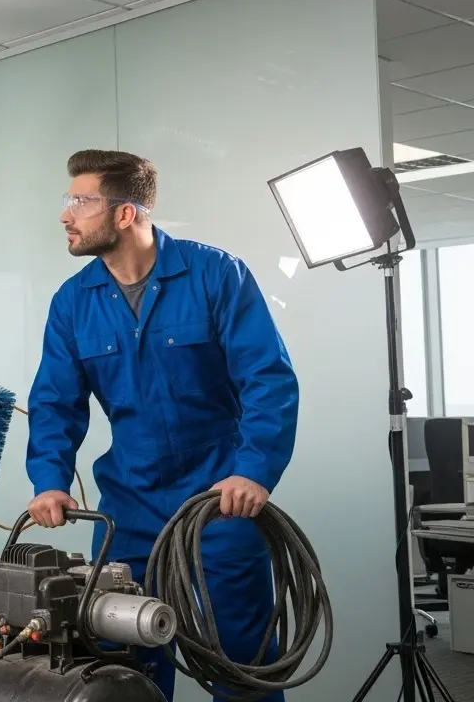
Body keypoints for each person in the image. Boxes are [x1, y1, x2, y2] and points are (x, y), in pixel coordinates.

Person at [24, 149, 299, 702]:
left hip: (220, 500)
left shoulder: (216, 275)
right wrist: (49, 479)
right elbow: (55, 402)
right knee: (126, 666)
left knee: (240, 662)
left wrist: (254, 471)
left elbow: (268, 380)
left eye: (81, 201)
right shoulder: (74, 302)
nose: (66, 215)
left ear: (125, 214)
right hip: (128, 508)